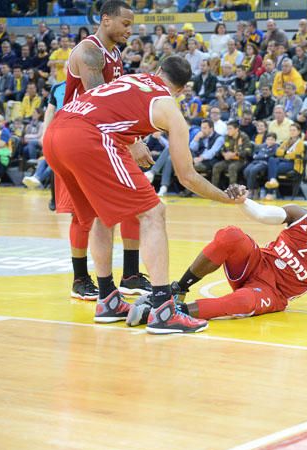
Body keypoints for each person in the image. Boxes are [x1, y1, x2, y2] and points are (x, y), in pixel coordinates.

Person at [45, 56, 247, 334]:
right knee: (154, 212)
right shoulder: (169, 106)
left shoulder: (130, 78)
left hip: (55, 131)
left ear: (157, 71)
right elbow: (187, 176)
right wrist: (225, 197)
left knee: (99, 215)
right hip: (87, 137)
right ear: (181, 89)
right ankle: (164, 310)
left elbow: (108, 109)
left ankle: (108, 299)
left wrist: (131, 141)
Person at [136, 186, 307, 324]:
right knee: (230, 235)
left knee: (242, 301)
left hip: (273, 292)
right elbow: (262, 214)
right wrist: (243, 201)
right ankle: (178, 290)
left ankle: (172, 312)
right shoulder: (300, 215)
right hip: (255, 263)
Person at [55, 0, 150, 301]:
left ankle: (132, 275)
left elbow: (116, 107)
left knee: (134, 201)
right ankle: (80, 278)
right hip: (78, 139)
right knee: (87, 215)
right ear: (106, 20)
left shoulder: (115, 53)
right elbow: (100, 106)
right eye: (126, 23)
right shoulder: (89, 52)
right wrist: (133, 142)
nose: (129, 30)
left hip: (104, 137)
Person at [263, 122, 305, 199]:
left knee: (271, 168)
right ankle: (273, 181)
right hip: (284, 161)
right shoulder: (287, 141)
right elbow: (277, 152)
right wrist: (286, 153)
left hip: (293, 164)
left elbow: (296, 154)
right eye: (290, 130)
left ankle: (270, 192)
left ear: (298, 131)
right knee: (272, 159)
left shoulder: (300, 143)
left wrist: (285, 153)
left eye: (294, 130)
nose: (292, 132)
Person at [211, 120, 252, 189]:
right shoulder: (227, 137)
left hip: (241, 160)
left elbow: (248, 151)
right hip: (229, 160)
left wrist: (234, 154)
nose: (228, 130)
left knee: (232, 167)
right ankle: (213, 190)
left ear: (236, 129)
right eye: (227, 129)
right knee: (216, 166)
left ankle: (232, 191)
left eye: (230, 128)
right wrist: (224, 154)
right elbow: (222, 149)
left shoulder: (244, 137)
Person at [244, 132, 278, 199]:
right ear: (266, 140)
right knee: (246, 170)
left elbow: (269, 156)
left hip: (264, 163)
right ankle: (256, 189)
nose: (270, 141)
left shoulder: (276, 147)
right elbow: (255, 154)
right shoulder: (262, 145)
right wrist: (259, 156)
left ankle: (250, 190)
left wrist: (260, 156)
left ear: (275, 140)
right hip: (256, 161)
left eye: (272, 139)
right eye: (268, 139)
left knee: (253, 170)